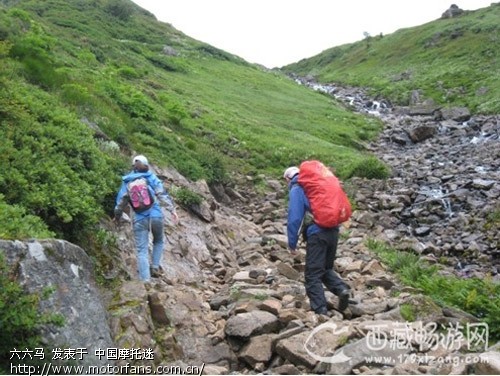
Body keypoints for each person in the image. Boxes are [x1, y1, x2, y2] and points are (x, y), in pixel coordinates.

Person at [283, 166, 351, 316]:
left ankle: (320, 311)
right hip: (333, 230)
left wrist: (292, 244)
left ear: (288, 178)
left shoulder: (298, 188)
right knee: (325, 268)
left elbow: (295, 218)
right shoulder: (319, 185)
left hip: (317, 234)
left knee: (312, 274)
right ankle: (342, 289)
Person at [114, 155, 178, 282]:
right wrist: (173, 210)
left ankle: (145, 281)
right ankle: (154, 267)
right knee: (158, 240)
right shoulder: (151, 177)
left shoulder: (127, 181)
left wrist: (117, 216)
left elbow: (120, 203)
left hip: (139, 218)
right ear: (146, 165)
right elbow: (162, 194)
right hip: (156, 215)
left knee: (141, 250)